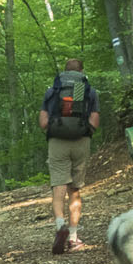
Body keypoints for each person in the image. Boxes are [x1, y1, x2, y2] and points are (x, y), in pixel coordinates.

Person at [39, 59, 100, 254]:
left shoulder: (53, 91)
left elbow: (42, 122)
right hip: (81, 141)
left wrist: (54, 131)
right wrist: (84, 131)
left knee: (59, 186)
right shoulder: (89, 91)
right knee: (75, 190)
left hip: (57, 141)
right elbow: (95, 121)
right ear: (82, 71)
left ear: (65, 72)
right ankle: (73, 237)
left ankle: (59, 225)